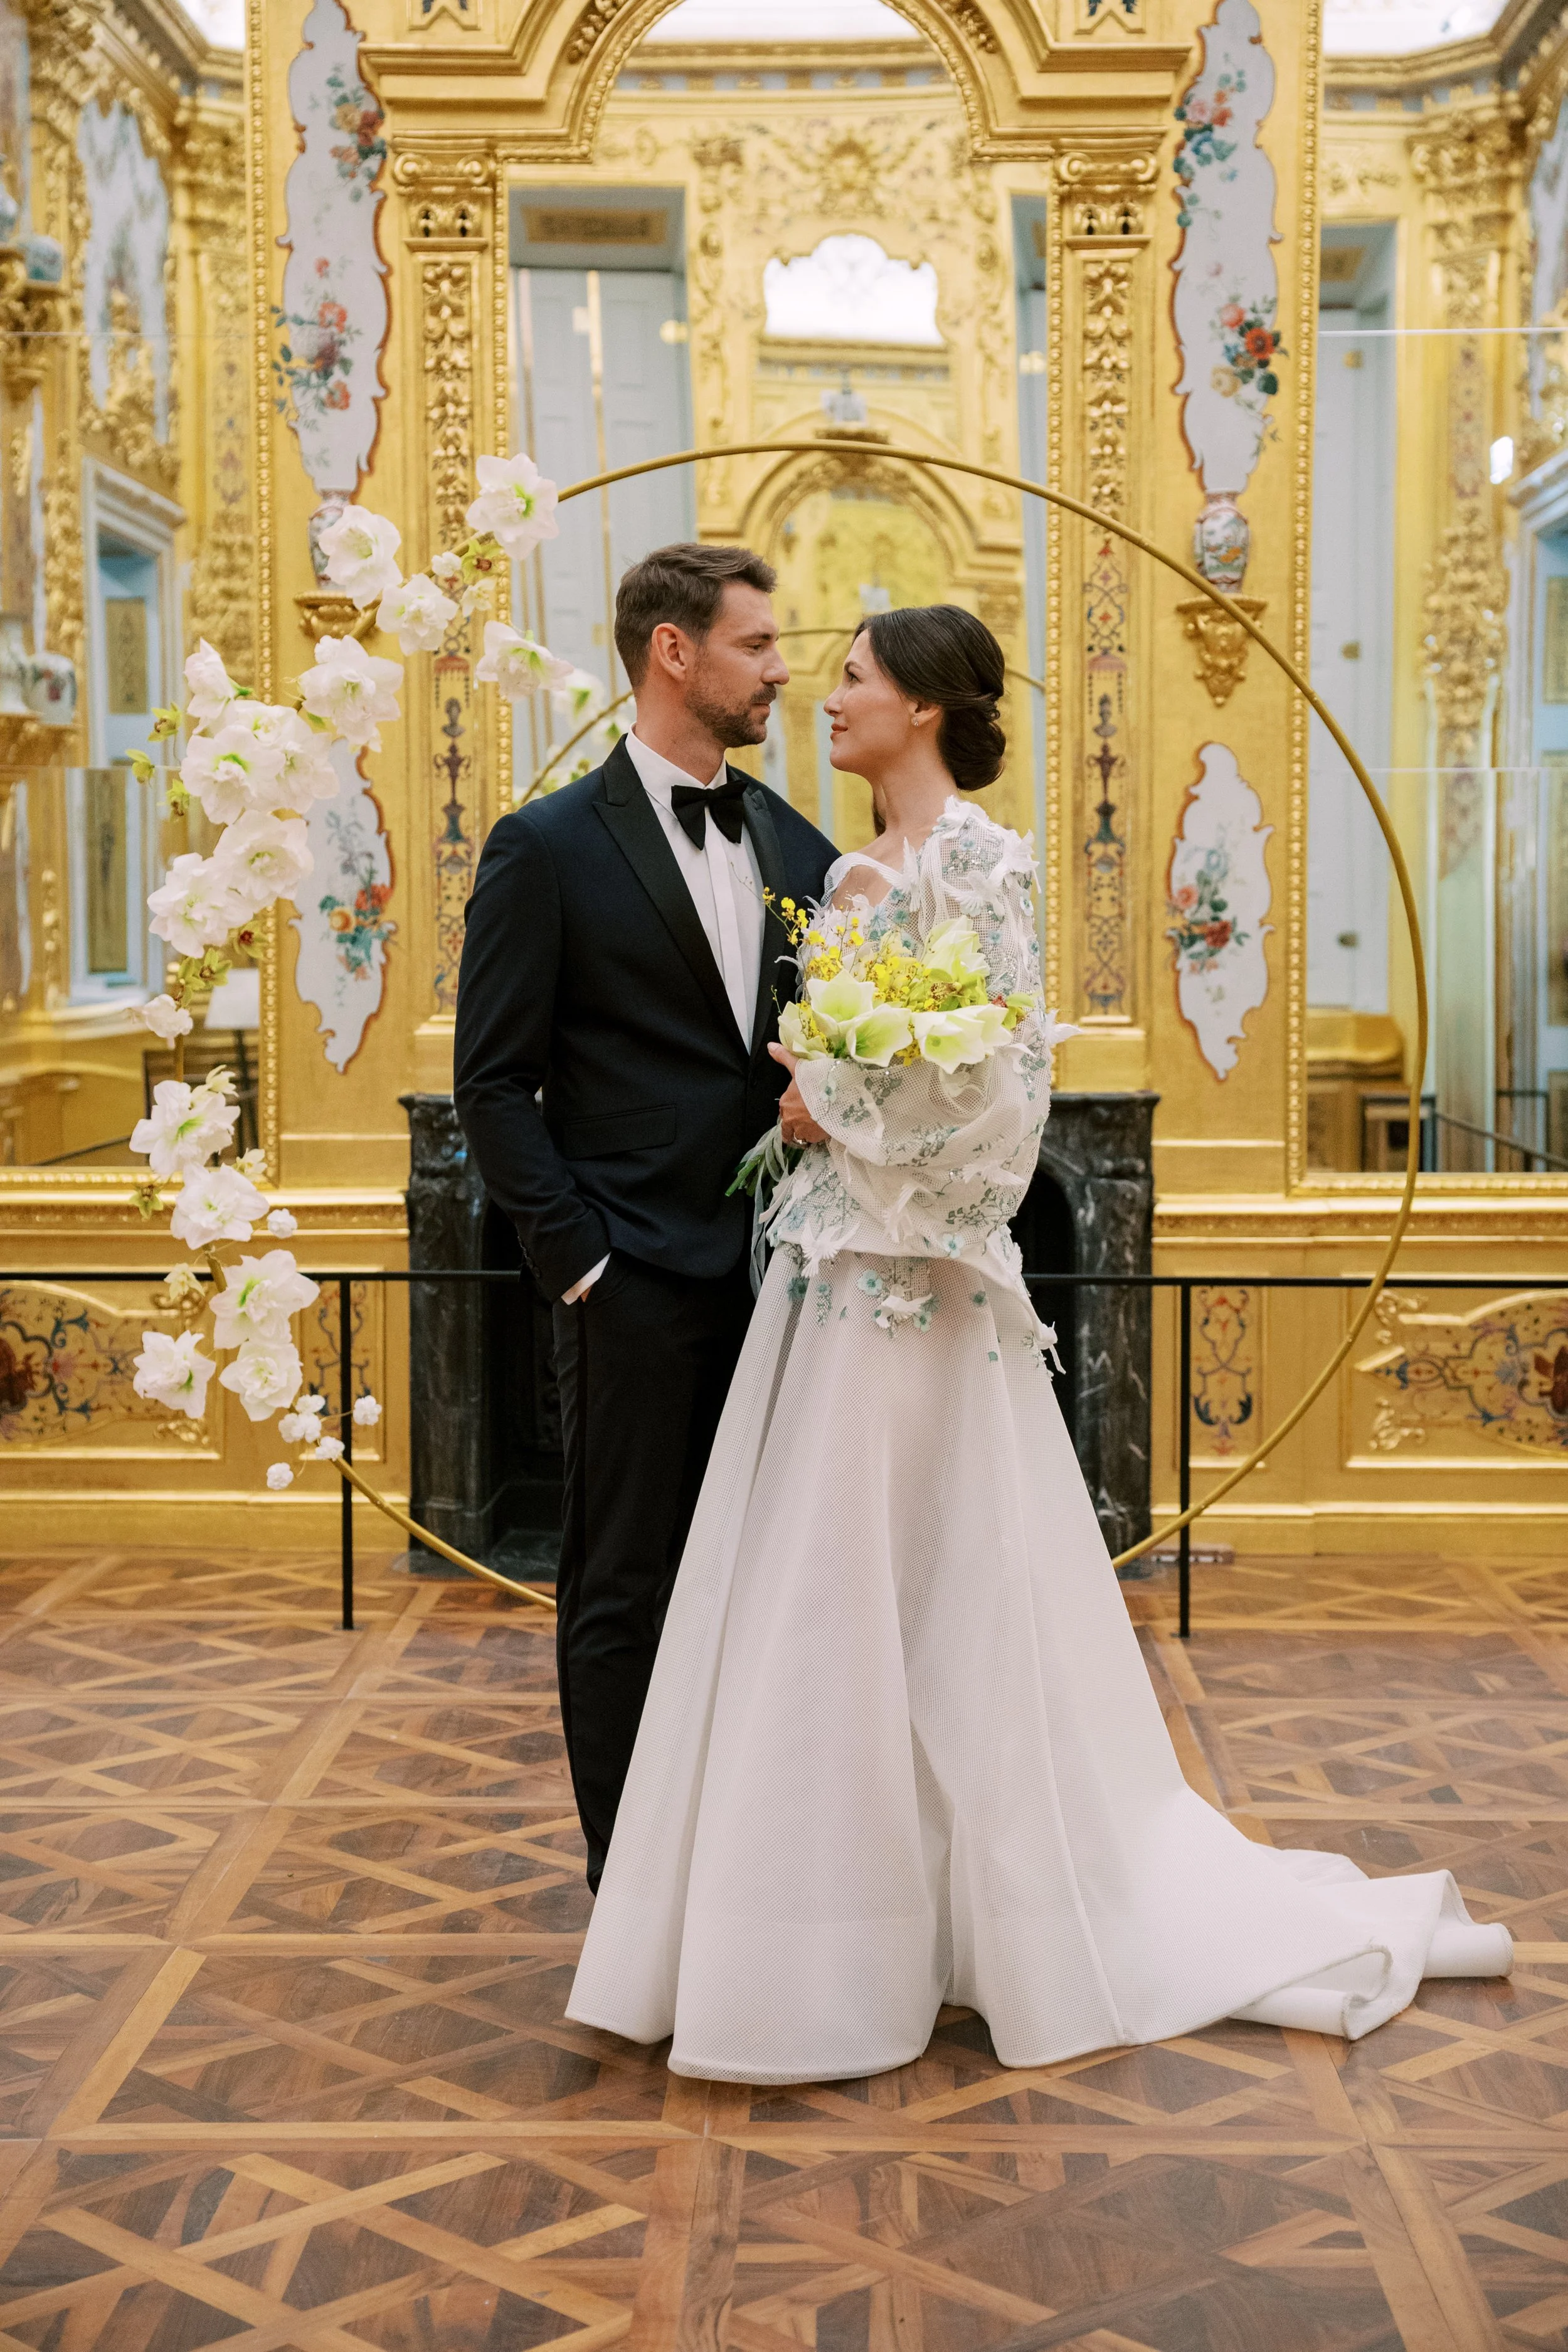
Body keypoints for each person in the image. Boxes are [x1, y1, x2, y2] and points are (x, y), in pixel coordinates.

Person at [566, 601, 1512, 2083]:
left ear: (925, 709)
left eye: (857, 679)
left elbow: (1005, 1096)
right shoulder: (839, 870)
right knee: (813, 1616)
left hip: (921, 1288)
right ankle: (823, 1933)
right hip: (819, 1286)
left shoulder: (984, 866)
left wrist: (842, 1109)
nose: (826, 695)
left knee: (948, 1607)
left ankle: (991, 1918)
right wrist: (820, 1106)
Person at [453, 543, 836, 1892]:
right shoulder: (545, 847)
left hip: (789, 1280)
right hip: (626, 1281)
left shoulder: (800, 847)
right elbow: (491, 1084)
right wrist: (581, 1269)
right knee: (620, 1589)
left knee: (766, 1583)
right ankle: (631, 1886)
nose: (780, 669)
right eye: (757, 644)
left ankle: (741, 1872)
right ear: (673, 652)